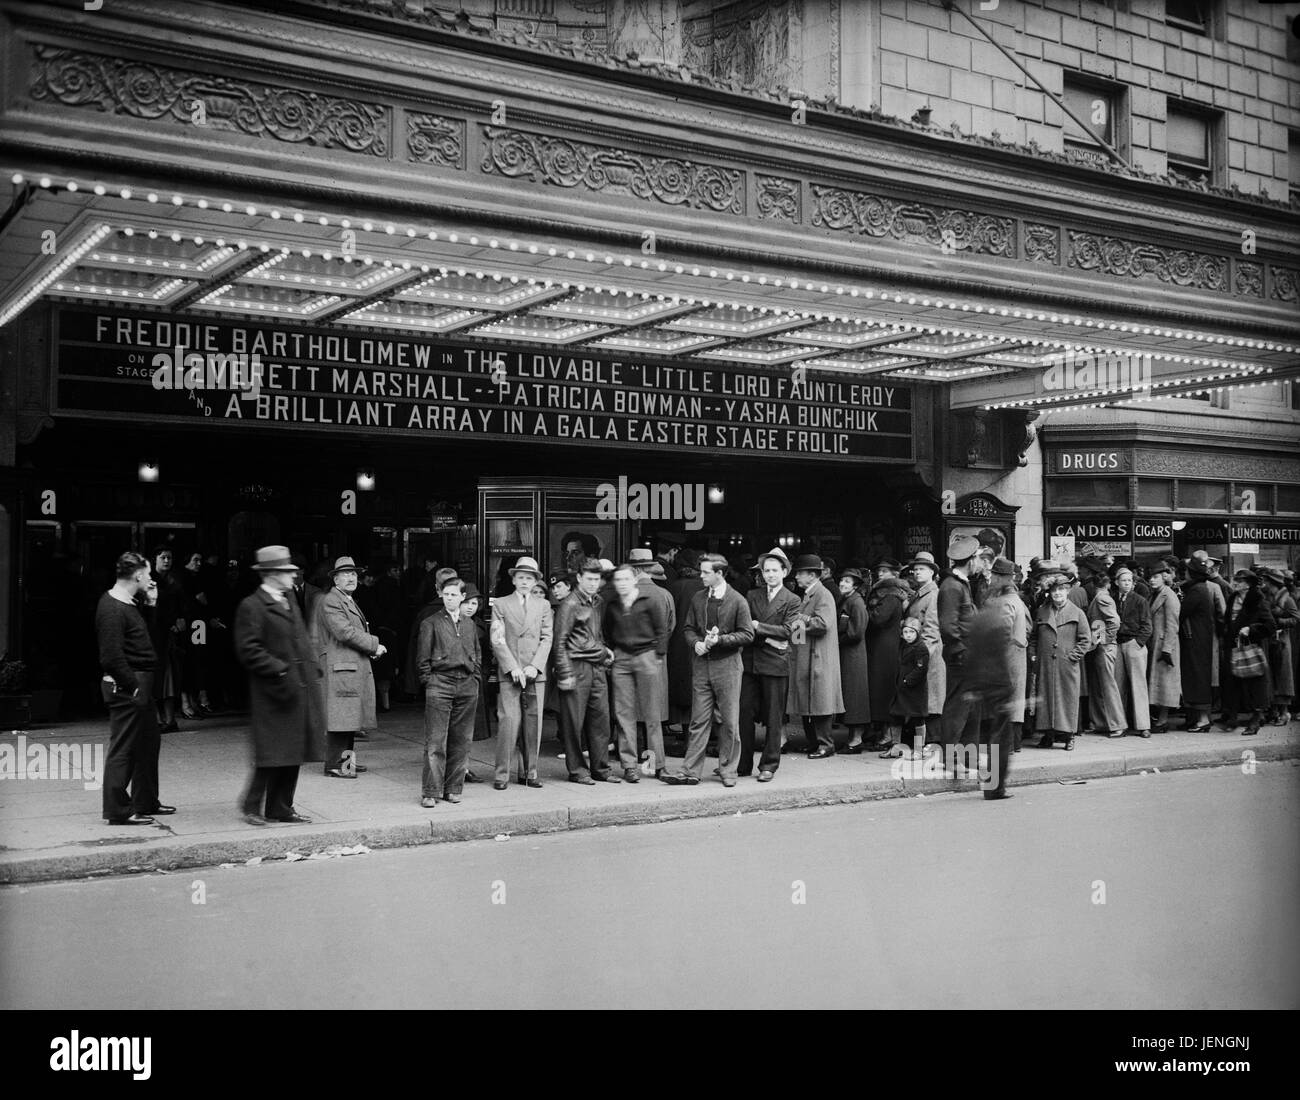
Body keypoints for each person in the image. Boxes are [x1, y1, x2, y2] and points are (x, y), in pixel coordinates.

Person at [233, 545, 326, 825]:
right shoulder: (252, 606)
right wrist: (280, 670)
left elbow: (300, 638)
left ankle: (281, 807)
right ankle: (251, 806)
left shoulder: (288, 599)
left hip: (298, 687)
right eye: (287, 572)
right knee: (271, 753)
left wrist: (312, 667)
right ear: (272, 574)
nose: (293, 576)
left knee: (293, 750)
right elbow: (248, 649)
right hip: (273, 691)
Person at [663, 554, 754, 786]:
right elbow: (688, 629)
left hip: (728, 667)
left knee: (730, 722)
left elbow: (747, 634)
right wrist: (697, 643)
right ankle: (690, 770)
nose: (701, 576)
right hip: (702, 664)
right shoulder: (698, 598)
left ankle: (728, 770)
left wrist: (720, 640)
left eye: (705, 572)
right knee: (698, 720)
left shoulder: (738, 600)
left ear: (719, 574)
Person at [95, 551, 171, 825]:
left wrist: (151, 604)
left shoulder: (128, 604)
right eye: (148, 573)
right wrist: (133, 686)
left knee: (148, 743)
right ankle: (116, 810)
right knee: (124, 749)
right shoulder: (113, 607)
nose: (151, 579)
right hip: (128, 686)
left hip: (138, 684)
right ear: (138, 575)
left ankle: (146, 800)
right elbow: (110, 657)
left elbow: (145, 640)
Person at [312, 556, 384, 779]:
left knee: (348, 716)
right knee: (341, 716)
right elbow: (345, 632)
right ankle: (335, 764)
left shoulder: (344, 599)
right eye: (346, 574)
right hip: (341, 667)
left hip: (347, 666)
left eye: (354, 573)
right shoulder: (332, 600)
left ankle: (345, 763)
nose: (352, 577)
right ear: (335, 579)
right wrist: (374, 645)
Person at [553, 559, 620, 784]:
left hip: (596, 666)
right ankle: (578, 771)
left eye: (596, 579)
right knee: (574, 723)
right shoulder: (570, 604)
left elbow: (595, 634)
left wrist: (603, 651)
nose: (593, 583)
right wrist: (564, 673)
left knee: (600, 720)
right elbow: (560, 641)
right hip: (576, 666)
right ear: (579, 578)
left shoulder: (597, 601)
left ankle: (601, 769)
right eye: (589, 579)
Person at [490, 556, 553, 789]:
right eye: (521, 577)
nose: (525, 582)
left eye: (530, 578)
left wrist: (534, 666)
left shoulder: (543, 605)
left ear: (536, 581)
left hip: (535, 672)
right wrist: (512, 666)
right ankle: (502, 774)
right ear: (514, 579)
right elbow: (497, 639)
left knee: (533, 722)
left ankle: (530, 772)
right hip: (511, 672)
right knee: (508, 722)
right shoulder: (501, 604)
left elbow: (547, 638)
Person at [417, 576, 481, 806]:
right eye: (446, 594)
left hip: (466, 683)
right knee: (435, 740)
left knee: (461, 740)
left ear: (463, 597)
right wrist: (430, 681)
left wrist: (475, 678)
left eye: (454, 594)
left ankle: (453, 788)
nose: (450, 598)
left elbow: (477, 653)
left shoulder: (469, 624)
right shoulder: (431, 623)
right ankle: (431, 791)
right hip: (440, 682)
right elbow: (423, 659)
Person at [740, 548, 800, 781]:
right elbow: (743, 627)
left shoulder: (793, 600)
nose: (770, 575)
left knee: (774, 717)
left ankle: (769, 765)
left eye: (775, 570)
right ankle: (742, 764)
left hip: (775, 665)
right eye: (767, 571)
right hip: (750, 663)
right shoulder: (751, 595)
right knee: (743, 713)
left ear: (784, 572)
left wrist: (757, 627)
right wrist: (770, 637)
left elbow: (789, 631)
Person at [605, 563, 670, 780]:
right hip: (622, 658)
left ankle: (657, 764)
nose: (622, 583)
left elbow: (662, 629)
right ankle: (630, 765)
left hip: (646, 656)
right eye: (618, 580)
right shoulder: (613, 604)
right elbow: (607, 631)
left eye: (625, 579)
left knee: (652, 713)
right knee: (624, 714)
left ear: (634, 580)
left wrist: (658, 655)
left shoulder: (649, 600)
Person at [788, 554, 843, 758]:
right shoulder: (809, 595)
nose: (797, 577)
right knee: (808, 702)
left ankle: (825, 744)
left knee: (821, 702)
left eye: (800, 573)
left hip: (819, 656)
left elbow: (822, 624)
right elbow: (800, 630)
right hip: (807, 655)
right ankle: (814, 742)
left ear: (812, 575)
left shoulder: (823, 595)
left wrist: (799, 619)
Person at [1030, 574, 1092, 750]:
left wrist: (1073, 656)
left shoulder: (1077, 613)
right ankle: (1048, 735)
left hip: (1067, 665)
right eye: (1054, 590)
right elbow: (1034, 637)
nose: (1057, 593)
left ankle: (1069, 736)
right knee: (1046, 699)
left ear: (1067, 591)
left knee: (1067, 699)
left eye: (1061, 590)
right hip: (1046, 664)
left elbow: (1085, 640)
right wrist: (1033, 654)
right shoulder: (1042, 611)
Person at [938, 534, 982, 773]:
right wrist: (961, 650)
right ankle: (951, 758)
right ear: (970, 560)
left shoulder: (960, 584)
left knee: (973, 708)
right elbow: (947, 625)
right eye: (977, 558)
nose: (979, 562)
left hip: (969, 654)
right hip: (961, 656)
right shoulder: (952, 587)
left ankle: (969, 758)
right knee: (958, 707)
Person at [1218, 570, 1276, 737]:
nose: (1235, 582)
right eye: (1235, 579)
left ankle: (1256, 720)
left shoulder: (1258, 601)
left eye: (1239, 580)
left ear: (1248, 583)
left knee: (1255, 683)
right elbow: (1228, 620)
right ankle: (1233, 718)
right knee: (1233, 682)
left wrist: (1251, 629)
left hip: (1252, 647)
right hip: (1234, 646)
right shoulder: (1233, 599)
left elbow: (1270, 625)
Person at [983, 558, 1031, 754]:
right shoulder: (1016, 600)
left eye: (993, 575)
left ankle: (1007, 745)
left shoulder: (1005, 602)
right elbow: (1028, 626)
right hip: (1016, 656)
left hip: (1006, 657)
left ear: (1001, 578)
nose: (990, 578)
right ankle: (1014, 744)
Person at [865, 558, 910, 749]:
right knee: (880, 690)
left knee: (883, 690)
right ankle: (881, 731)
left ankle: (886, 735)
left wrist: (865, 610)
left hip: (885, 648)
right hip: (883, 646)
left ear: (894, 574)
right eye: (879, 570)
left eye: (884, 571)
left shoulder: (890, 594)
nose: (880, 574)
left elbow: (879, 619)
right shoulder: (885, 592)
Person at [903, 552, 945, 754]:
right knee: (924, 698)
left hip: (929, 654)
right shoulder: (920, 594)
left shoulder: (933, 595)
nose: (917, 572)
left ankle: (934, 740)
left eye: (922, 569)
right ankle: (926, 740)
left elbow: (932, 629)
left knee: (931, 699)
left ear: (932, 572)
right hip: (920, 652)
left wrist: (920, 657)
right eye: (915, 569)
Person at [147, 546, 187, 733]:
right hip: (153, 636)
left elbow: (181, 607)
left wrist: (180, 621)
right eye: (163, 557)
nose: (166, 561)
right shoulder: (148, 580)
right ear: (155, 559)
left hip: (170, 638)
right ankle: (156, 719)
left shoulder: (175, 580)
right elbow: (150, 611)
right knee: (154, 679)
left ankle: (170, 720)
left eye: (169, 557)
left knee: (169, 679)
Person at [1179, 555, 1220, 731]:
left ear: (1192, 573)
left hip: (1196, 640)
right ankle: (1201, 718)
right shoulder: (1201, 588)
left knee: (1198, 678)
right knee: (1199, 677)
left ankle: (1203, 720)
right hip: (1200, 638)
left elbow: (1182, 613)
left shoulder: (1196, 591)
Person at [666, 547, 704, 731]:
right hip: (700, 644)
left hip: (676, 644)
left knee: (681, 689)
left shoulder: (673, 587)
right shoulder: (704, 587)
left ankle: (683, 734)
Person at [1084, 571, 1125, 739]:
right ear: (1108, 584)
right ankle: (1102, 723)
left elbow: (1114, 621)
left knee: (1107, 686)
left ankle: (1118, 724)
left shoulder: (1101, 598)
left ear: (1094, 585)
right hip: (1101, 646)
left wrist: (1104, 640)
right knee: (1099, 686)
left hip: (1104, 647)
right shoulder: (1103, 598)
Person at [1113, 566, 1153, 738]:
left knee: (1138, 685)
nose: (1127, 583)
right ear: (1116, 583)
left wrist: (1138, 643)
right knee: (1118, 685)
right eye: (1124, 580)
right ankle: (1120, 724)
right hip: (1118, 644)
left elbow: (1147, 626)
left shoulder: (1140, 600)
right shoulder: (1112, 599)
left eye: (1130, 581)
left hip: (1133, 643)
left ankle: (1143, 725)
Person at [836, 568, 871, 752]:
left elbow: (856, 632)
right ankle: (852, 738)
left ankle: (856, 740)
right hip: (847, 654)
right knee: (849, 697)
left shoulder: (856, 603)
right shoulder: (847, 600)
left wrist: (837, 640)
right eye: (842, 580)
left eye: (847, 582)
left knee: (855, 697)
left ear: (855, 585)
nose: (843, 584)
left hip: (854, 656)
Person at [884, 617, 929, 759]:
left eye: (911, 632)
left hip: (915, 690)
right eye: (905, 632)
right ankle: (896, 747)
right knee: (895, 716)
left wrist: (907, 681)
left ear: (917, 633)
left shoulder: (921, 648)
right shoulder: (903, 646)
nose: (908, 635)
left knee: (917, 718)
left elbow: (921, 669)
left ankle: (919, 750)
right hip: (902, 689)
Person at [1146, 563, 1182, 733]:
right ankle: (1160, 719)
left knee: (1165, 683)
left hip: (1165, 645)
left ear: (1164, 577)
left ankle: (1163, 720)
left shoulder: (1169, 596)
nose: (1152, 580)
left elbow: (1172, 625)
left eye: (1156, 577)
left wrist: (1167, 648)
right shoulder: (1156, 595)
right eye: (1151, 577)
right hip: (1157, 643)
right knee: (1159, 683)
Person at [1259, 568, 1296, 726]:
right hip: (1269, 640)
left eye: (1267, 580)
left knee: (1283, 676)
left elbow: (1295, 618)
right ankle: (1273, 710)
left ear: (1273, 582)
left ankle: (1284, 712)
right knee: (1271, 675)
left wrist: (1279, 623)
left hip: (1281, 641)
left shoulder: (1287, 599)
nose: (1264, 582)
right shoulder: (1266, 596)